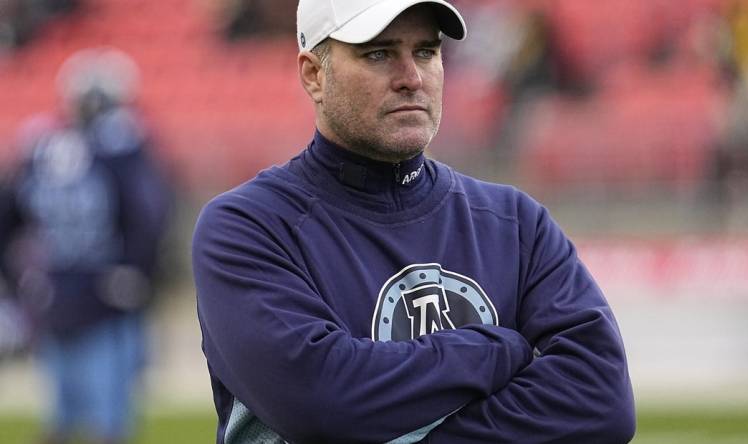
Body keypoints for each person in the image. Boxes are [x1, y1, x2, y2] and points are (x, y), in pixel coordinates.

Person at [192, 1, 636, 443]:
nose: (412, 78)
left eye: (425, 51)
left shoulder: (516, 223)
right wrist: (497, 349)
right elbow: (321, 402)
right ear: (313, 74)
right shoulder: (247, 228)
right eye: (379, 54)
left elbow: (601, 403)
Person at [0, 48, 171, 444]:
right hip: (106, 292)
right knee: (107, 421)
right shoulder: (124, 147)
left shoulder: (39, 144)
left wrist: (18, 280)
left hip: (55, 292)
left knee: (65, 416)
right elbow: (150, 215)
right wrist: (141, 273)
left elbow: (7, 216)